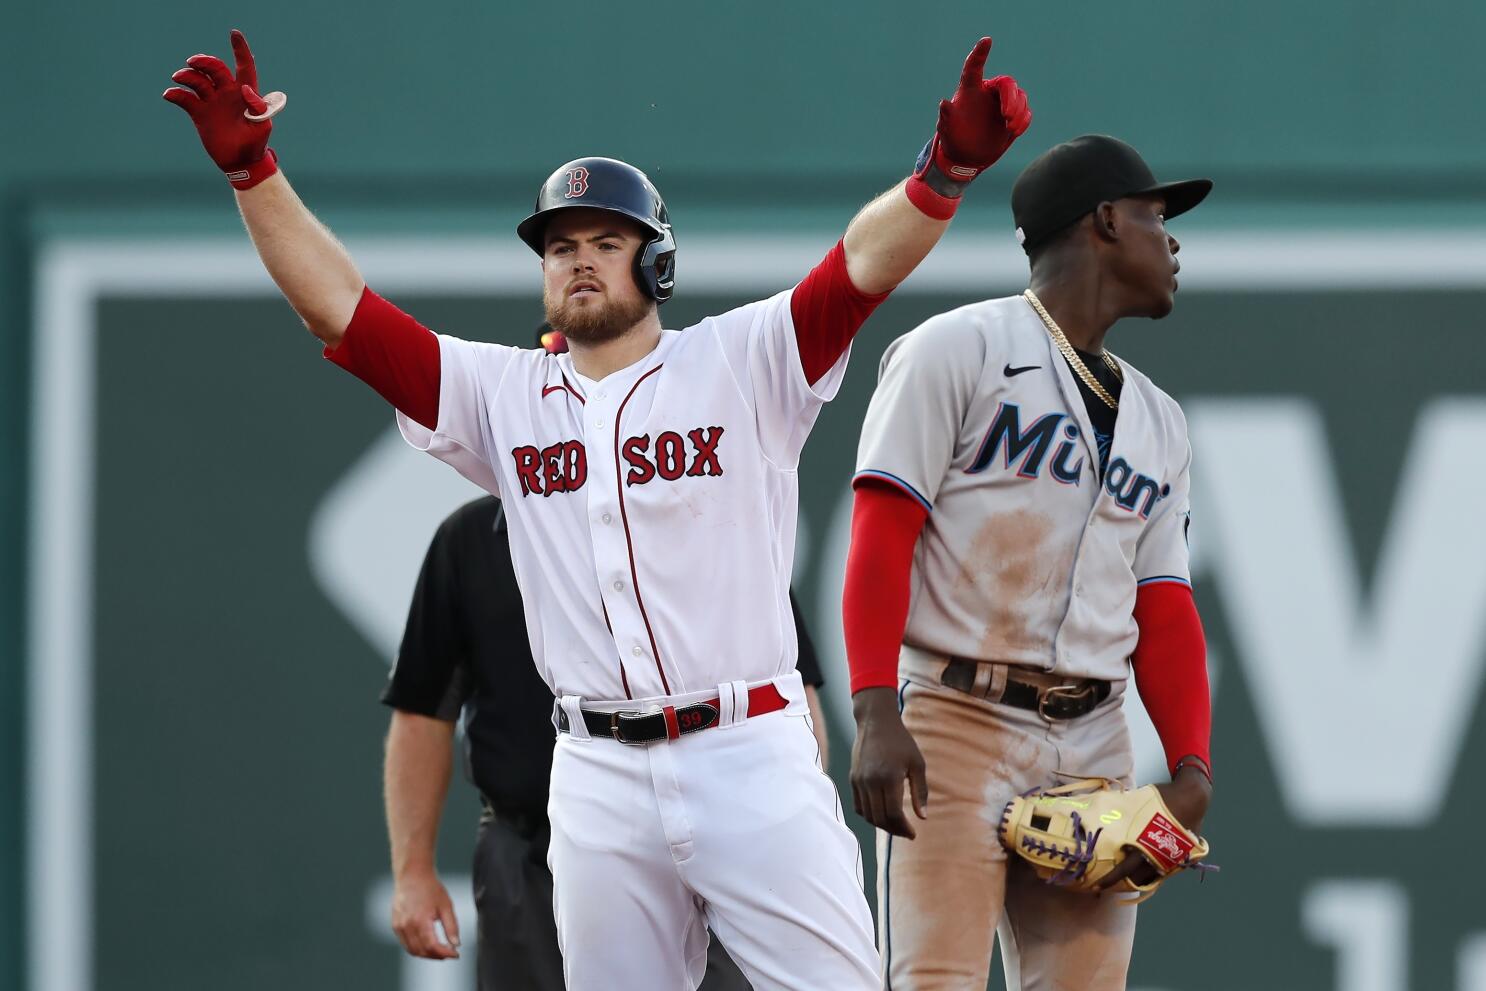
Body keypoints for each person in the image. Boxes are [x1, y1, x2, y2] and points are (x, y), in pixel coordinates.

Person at [163, 29, 1030, 990]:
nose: (579, 261)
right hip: (595, 771)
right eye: (561, 246)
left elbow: (860, 268)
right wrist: (255, 174)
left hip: (749, 749)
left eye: (606, 244)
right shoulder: (501, 394)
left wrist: (944, 171)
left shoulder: (739, 362)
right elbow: (342, 311)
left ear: (656, 265)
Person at [843, 134, 1216, 990]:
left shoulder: (1159, 419)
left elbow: (1161, 604)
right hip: (955, 721)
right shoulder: (955, 349)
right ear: (1106, 222)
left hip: (1093, 739)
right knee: (932, 980)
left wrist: (1190, 767)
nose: (1174, 240)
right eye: (1158, 216)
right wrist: (872, 706)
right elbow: (881, 532)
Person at [383, 331, 833, 991]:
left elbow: (795, 699)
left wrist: (778, 819)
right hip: (532, 850)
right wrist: (413, 868)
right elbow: (424, 712)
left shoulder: (709, 524)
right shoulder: (468, 544)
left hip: (715, 835)